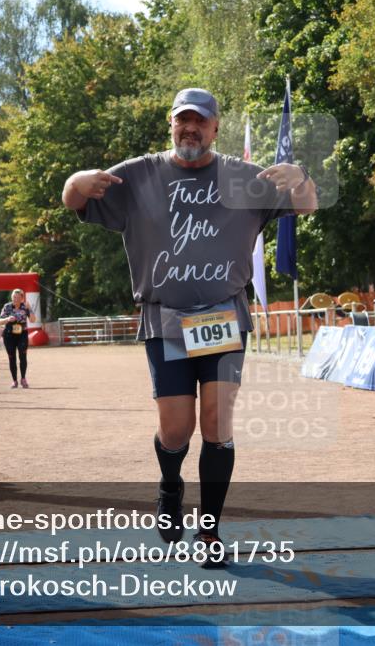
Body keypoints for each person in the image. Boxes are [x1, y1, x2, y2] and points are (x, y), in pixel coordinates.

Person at [62, 87, 317, 567]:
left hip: (223, 316)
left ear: (216, 127)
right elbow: (72, 200)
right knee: (176, 430)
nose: (190, 129)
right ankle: (170, 484)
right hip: (167, 320)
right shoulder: (138, 176)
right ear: (171, 124)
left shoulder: (245, 177)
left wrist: (301, 176)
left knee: (217, 426)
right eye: (183, 120)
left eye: (200, 121)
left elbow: (306, 204)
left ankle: (210, 530)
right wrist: (77, 178)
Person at [0, 288, 35, 388]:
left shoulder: (25, 306)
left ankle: (23, 378)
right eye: (14, 297)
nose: (15, 299)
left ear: (22, 298)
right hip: (9, 335)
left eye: (17, 297)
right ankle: (14, 381)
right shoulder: (7, 306)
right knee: (12, 358)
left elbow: (32, 320)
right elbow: (0, 321)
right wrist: (7, 319)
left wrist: (30, 309)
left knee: (23, 356)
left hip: (22, 334)